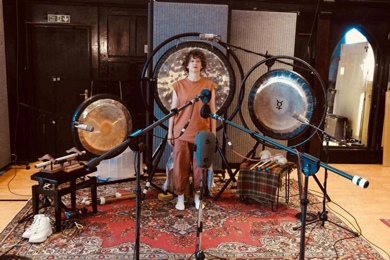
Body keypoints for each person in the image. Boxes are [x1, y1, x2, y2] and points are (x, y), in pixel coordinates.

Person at [168, 49, 217, 210]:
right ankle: (180, 197)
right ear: (187, 65)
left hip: (202, 135)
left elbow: (212, 112)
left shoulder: (209, 86)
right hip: (181, 133)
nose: (195, 63)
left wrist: (213, 135)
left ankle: (198, 197)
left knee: (199, 170)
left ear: (202, 64)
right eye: (192, 61)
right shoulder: (178, 85)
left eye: (198, 61)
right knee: (180, 167)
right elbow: (173, 112)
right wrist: (170, 133)